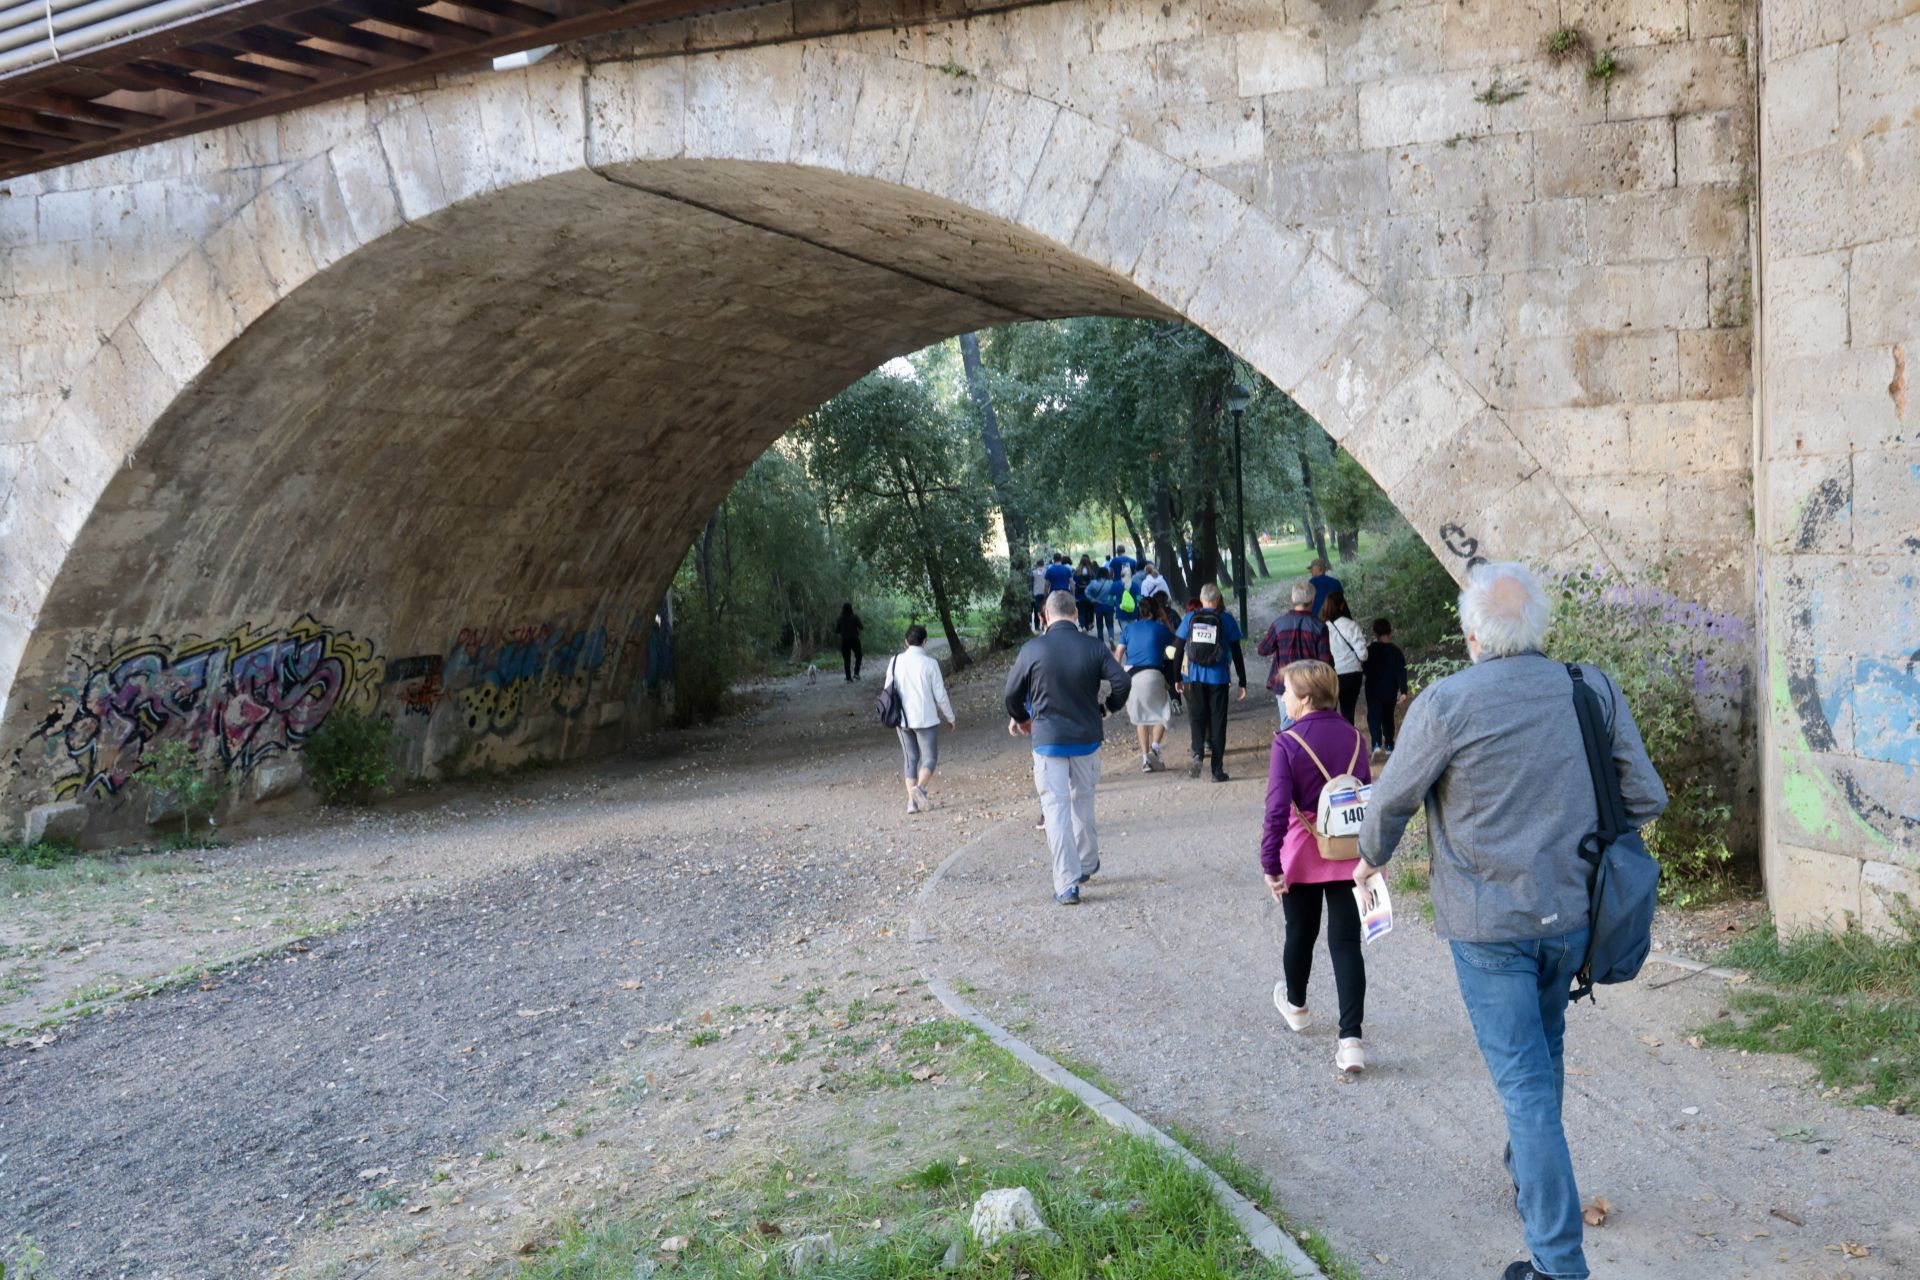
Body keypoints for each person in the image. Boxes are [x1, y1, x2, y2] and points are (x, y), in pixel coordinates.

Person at [1354, 562, 1667, 1280]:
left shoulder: (1445, 705)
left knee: (1526, 1085)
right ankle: (1532, 1179)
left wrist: (1369, 859)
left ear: (1471, 636)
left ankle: (1558, 1266)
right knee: (1543, 1054)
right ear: (1538, 629)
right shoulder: (1590, 688)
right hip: (1574, 918)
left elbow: (1391, 803)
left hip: (1489, 928)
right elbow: (1644, 797)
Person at [1261, 659, 1373, 1074]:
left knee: (1300, 933)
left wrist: (1270, 862)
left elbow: (1276, 809)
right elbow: (1363, 795)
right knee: (1346, 944)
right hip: (1347, 851)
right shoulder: (1356, 738)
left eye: (1287, 691)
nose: (1283, 698)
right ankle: (1351, 1041)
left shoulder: (1287, 742)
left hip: (1303, 849)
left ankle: (1297, 1006)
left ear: (1305, 698)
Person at [1005, 590, 1131, 904]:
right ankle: (1087, 864)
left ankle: (1066, 883)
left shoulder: (1032, 650)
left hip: (1048, 741)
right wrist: (1109, 707)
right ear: (1076, 614)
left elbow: (1011, 695)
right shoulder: (1093, 647)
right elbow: (1123, 682)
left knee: (1055, 810)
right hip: (1087, 738)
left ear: (1045, 617)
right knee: (1083, 802)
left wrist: (1023, 718)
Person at [1174, 584, 1247, 782]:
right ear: (1218, 599)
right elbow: (1236, 652)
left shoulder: (1190, 618)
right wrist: (1242, 680)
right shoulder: (1226, 619)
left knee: (1197, 717)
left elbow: (1179, 649)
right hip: (1219, 679)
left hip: (1195, 677)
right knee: (1218, 722)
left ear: (1201, 598)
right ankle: (1217, 770)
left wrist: (1177, 678)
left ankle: (1197, 753)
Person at [883, 624, 955, 814]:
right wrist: (950, 716)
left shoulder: (895, 661)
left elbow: (888, 689)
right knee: (930, 758)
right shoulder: (930, 664)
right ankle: (920, 788)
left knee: (910, 759)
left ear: (906, 642)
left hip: (902, 719)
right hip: (926, 720)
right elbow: (940, 695)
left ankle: (911, 803)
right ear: (925, 642)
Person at [1256, 578, 1334, 727]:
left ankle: (1288, 749)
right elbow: (1326, 662)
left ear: (1292, 599)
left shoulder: (1279, 624)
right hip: (1310, 685)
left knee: (1288, 726)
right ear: (1313, 600)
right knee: (1309, 726)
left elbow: (1262, 649)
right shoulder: (1319, 627)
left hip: (1284, 684)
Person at [1115, 596, 1178, 772]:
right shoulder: (1159, 629)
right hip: (1153, 674)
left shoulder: (1128, 629)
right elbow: (1176, 641)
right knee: (1162, 711)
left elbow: (1118, 654)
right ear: (1155, 612)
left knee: (1140, 717)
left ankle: (1145, 760)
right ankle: (1155, 749)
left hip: (1132, 677)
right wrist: (1166, 620)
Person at [1364, 617, 1409, 755]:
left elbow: (1365, 668)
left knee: (1374, 716)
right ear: (1390, 631)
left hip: (1373, 690)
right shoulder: (1396, 652)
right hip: (1390, 690)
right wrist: (1403, 691)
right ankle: (1389, 744)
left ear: (1375, 633)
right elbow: (1401, 671)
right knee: (1387, 717)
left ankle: (1376, 744)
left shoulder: (1370, 650)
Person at [1321, 590, 1369, 724]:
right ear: (1342, 605)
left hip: (1330, 674)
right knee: (1348, 712)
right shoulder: (1350, 625)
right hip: (1352, 673)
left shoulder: (1322, 627)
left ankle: (1332, 741)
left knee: (1330, 712)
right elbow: (1363, 655)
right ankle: (1348, 741)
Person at [834, 602, 864, 681]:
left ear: (843, 609)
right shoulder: (855, 617)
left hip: (845, 641)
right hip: (854, 639)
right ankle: (856, 673)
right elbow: (861, 627)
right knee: (859, 656)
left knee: (847, 659)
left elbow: (836, 631)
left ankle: (848, 678)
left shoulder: (840, 619)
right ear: (851, 609)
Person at [1089, 567, 1118, 643]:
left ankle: (1100, 640)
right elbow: (1115, 594)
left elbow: (1087, 592)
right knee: (1110, 623)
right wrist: (1113, 601)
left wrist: (1092, 599)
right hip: (1109, 605)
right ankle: (1111, 638)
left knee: (1099, 623)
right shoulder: (1111, 582)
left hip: (1098, 605)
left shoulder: (1094, 582)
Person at [1073, 555, 1095, 631]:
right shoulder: (1091, 572)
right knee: (1088, 611)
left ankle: (1082, 626)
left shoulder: (1077, 571)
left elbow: (1074, 581)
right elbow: (1093, 583)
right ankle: (1087, 626)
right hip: (1088, 595)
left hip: (1079, 595)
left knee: (1081, 612)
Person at [1030, 559, 1049, 632]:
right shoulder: (1046, 571)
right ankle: (1044, 625)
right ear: (1043, 564)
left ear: (1037, 564)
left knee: (1036, 610)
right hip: (1045, 593)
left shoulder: (1033, 573)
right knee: (1044, 609)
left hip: (1036, 593)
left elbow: (1031, 584)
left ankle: (1037, 626)